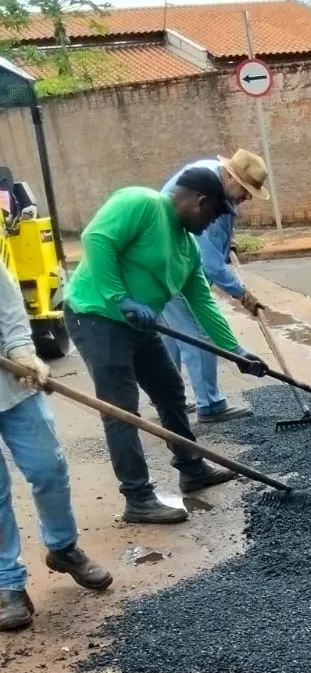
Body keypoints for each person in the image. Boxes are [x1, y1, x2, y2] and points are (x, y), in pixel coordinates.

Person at [64, 168, 268, 525]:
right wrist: (120, 297)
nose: (211, 225)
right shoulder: (141, 203)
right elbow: (96, 238)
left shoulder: (187, 248)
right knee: (121, 409)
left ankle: (191, 467)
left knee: (170, 389)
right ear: (198, 202)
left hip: (141, 324)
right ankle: (138, 497)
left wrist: (236, 351)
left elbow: (203, 303)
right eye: (213, 215)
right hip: (96, 316)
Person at [0, 261, 112, 631]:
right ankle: (8, 584)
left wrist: (20, 350)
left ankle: (63, 548)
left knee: (48, 467)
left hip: (12, 386)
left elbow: (8, 300)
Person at [159, 150, 269, 423]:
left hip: (168, 265)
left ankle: (167, 400)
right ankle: (210, 404)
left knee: (173, 335)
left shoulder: (211, 174)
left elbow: (217, 231)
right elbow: (211, 264)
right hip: (173, 269)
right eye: (244, 190)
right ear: (230, 176)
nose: (245, 198)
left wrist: (226, 242)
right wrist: (242, 295)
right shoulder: (206, 194)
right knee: (198, 334)